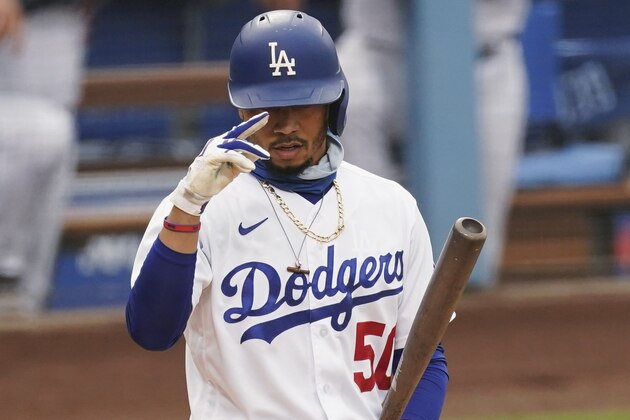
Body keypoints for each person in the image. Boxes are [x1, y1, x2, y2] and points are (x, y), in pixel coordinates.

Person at [126, 10, 448, 419]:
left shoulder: (392, 206)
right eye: (268, 107)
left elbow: (423, 356)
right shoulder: (201, 208)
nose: (285, 124)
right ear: (242, 111)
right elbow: (152, 332)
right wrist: (188, 209)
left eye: (303, 104)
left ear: (333, 104)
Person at [335, 0, 531, 285]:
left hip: (486, 57)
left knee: (477, 249)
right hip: (378, 52)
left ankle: (466, 320)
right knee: (371, 236)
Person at [0, 0, 94, 312]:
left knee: (28, 295)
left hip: (51, 87)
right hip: (18, 97)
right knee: (43, 131)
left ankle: (17, 290)